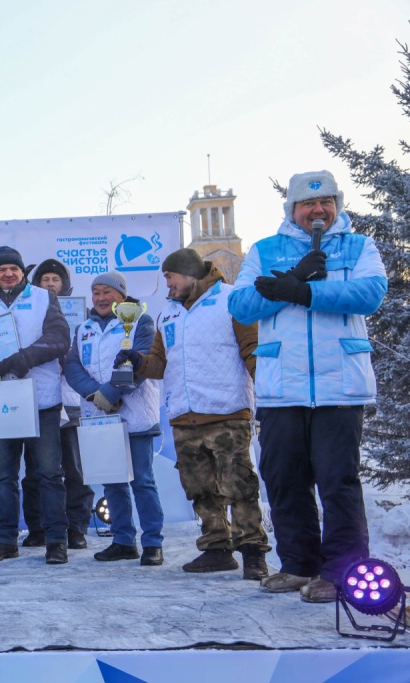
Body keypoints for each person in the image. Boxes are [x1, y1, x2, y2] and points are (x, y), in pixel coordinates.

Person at [229, 170, 388, 603]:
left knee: (339, 482)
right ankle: (299, 564)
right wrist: (294, 279)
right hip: (283, 388)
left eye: (326, 202)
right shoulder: (264, 250)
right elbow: (241, 306)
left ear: (337, 205)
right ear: (292, 209)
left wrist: (303, 293)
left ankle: (340, 572)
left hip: (340, 388)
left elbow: (370, 294)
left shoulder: (359, 246)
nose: (318, 210)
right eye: (308, 204)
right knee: (284, 480)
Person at [116, 248, 269, 579]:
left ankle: (253, 552)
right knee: (200, 489)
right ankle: (216, 549)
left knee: (239, 486)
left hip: (227, 412)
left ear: (189, 275)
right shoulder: (168, 314)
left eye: (170, 277)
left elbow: (252, 350)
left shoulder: (232, 300)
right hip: (184, 416)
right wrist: (138, 361)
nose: (167, 284)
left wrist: (269, 396)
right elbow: (159, 363)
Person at [0, 246, 72, 565]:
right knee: (2, 475)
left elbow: (60, 338)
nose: (8, 273)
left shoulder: (43, 297)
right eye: (1, 269)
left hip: (41, 400)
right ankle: (5, 539)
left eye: (13, 269)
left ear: (22, 272)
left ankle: (56, 540)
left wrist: (25, 358)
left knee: (49, 474)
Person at [65, 270, 165, 566]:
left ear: (121, 295)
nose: (100, 298)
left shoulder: (140, 321)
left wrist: (110, 393)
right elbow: (72, 367)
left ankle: (152, 543)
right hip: (99, 417)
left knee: (142, 481)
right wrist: (95, 395)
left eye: (106, 292)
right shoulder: (83, 328)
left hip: (135, 416)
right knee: (112, 483)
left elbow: (142, 361)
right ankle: (123, 540)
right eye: (95, 293)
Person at [21, 259, 94, 550]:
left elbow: (91, 353)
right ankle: (38, 527)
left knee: (73, 467)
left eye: (55, 279)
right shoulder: (27, 311)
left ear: (65, 285)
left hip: (71, 399)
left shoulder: (83, 315)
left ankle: (76, 527)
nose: (50, 284)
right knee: (36, 468)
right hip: (38, 400)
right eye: (45, 279)